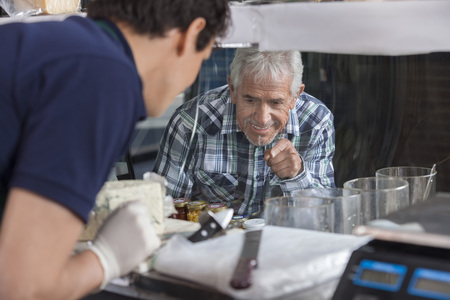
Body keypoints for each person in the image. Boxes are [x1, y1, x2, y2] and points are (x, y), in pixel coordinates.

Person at [0, 0, 230, 299]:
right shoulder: (102, 78)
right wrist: (105, 259)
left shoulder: (46, 45)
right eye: (204, 55)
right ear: (191, 34)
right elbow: (21, 288)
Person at [153, 48, 336, 217]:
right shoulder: (190, 123)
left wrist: (297, 176)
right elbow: (163, 212)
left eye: (276, 103)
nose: (262, 119)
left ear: (295, 96)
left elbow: (325, 217)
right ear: (232, 89)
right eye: (250, 100)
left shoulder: (316, 123)